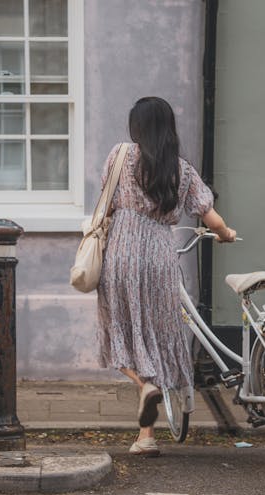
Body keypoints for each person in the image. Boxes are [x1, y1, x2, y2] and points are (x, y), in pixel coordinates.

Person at [96, 96, 237, 457]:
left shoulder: (120, 156)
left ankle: (145, 388)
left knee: (121, 331)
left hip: (123, 253)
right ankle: (146, 437)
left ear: (137, 127)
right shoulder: (183, 171)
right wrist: (226, 234)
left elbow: (107, 203)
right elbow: (210, 216)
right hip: (160, 256)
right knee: (156, 336)